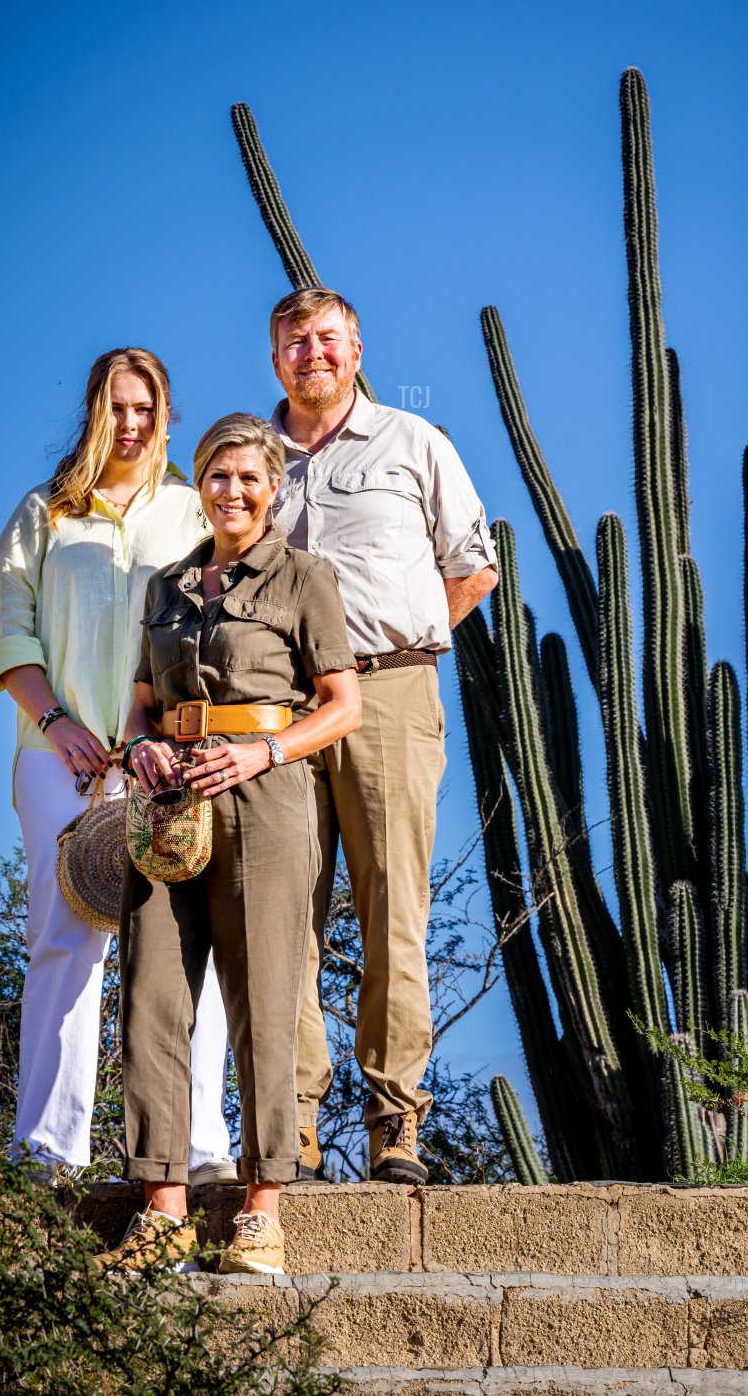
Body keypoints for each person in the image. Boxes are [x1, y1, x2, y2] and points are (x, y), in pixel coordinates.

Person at [104, 412, 360, 1275]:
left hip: (267, 794)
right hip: (169, 798)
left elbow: (342, 703)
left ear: (274, 486)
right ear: (201, 483)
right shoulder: (167, 586)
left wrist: (263, 748)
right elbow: (141, 699)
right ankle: (163, 1209)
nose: (233, 491)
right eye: (218, 476)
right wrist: (137, 737)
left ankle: (262, 1207)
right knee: (153, 996)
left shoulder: (302, 578)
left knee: (265, 999)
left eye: (250, 477)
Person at [0, 348, 236, 1184]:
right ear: (94, 411)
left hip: (169, 759)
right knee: (64, 937)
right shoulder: (46, 514)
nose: (130, 422)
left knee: (187, 944)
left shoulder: (196, 513)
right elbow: (5, 622)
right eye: (116, 406)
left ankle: (196, 1147)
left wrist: (159, 733)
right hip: (59, 759)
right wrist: (57, 724)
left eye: (145, 406)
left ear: (167, 414)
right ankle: (47, 1149)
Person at [267, 287, 498, 1185]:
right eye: (294, 340)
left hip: (392, 691)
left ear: (356, 349)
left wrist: (406, 641)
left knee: (392, 906)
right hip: (279, 712)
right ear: (275, 356)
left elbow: (473, 564)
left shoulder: (414, 443)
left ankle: (395, 1124)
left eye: (327, 338)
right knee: (283, 914)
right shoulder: (253, 458)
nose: (311, 353)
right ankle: (290, 1128)